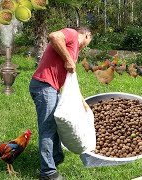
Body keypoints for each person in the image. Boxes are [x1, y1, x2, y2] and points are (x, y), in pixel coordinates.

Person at [29, 26, 92, 180]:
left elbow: (67, 80)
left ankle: (55, 158)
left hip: (52, 87)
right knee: (48, 128)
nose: (87, 44)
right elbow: (53, 36)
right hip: (44, 86)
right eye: (89, 41)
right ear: (87, 35)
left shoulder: (75, 48)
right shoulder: (72, 33)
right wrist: (68, 59)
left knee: (56, 124)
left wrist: (81, 100)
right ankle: (48, 172)